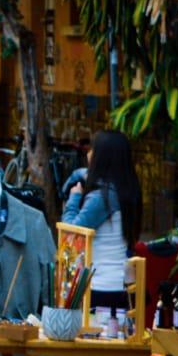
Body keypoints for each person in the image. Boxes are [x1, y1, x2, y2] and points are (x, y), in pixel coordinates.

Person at [65, 129, 143, 308]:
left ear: (103, 157)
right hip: (121, 286)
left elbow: (70, 234)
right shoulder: (128, 191)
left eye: (93, 149)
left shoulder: (102, 197)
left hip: (100, 288)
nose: (88, 153)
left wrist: (74, 198)